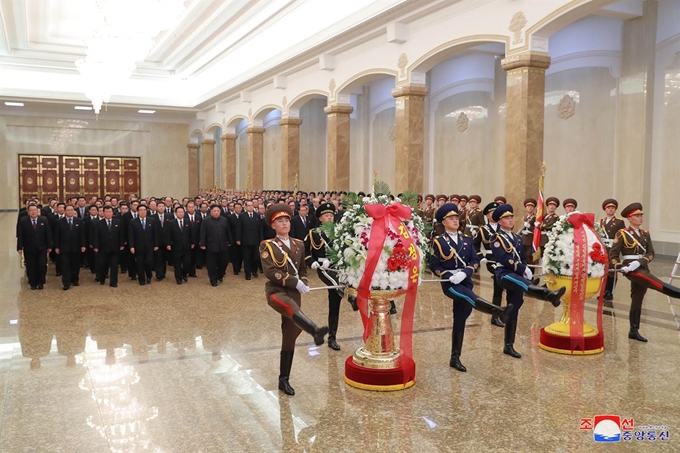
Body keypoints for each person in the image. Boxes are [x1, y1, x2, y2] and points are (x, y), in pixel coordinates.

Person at [429, 203, 512, 371]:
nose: (455, 220)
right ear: (443, 222)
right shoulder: (438, 241)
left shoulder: (466, 240)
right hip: (450, 283)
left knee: (460, 318)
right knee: (468, 297)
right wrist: (447, 275)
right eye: (450, 218)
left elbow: (474, 261)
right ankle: (496, 311)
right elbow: (433, 264)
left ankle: (455, 357)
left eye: (456, 218)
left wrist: (465, 272)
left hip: (465, 280)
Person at [260, 204, 329, 396]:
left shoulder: (299, 243)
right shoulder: (267, 245)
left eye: (286, 220)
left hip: (294, 294)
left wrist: (303, 282)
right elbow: (270, 272)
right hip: (277, 292)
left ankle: (284, 380)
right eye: (279, 221)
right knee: (290, 307)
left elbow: (302, 270)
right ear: (273, 225)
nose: (284, 223)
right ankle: (315, 330)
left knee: (289, 337)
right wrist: (293, 281)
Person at [490, 204, 565, 358]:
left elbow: (523, 257)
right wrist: (521, 269)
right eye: (506, 218)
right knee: (524, 284)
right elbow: (503, 258)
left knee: (514, 307)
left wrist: (525, 267)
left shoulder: (517, 238)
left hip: (517, 273)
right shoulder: (496, 238)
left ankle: (508, 346)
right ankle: (549, 295)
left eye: (511, 217)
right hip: (504, 273)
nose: (510, 220)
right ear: (499, 221)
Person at [609, 203, 680, 342]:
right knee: (654, 282)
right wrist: (619, 266)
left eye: (641, 215)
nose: (640, 217)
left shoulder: (645, 233)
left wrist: (641, 262)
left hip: (642, 267)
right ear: (630, 218)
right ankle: (677, 292)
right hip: (630, 269)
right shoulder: (622, 233)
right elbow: (613, 254)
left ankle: (633, 331)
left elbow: (651, 252)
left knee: (637, 300)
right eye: (637, 215)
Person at [305, 202, 350, 351]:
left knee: (334, 301)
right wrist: (311, 262)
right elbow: (306, 253)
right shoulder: (313, 233)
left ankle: (332, 337)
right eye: (326, 215)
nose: (329, 217)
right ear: (320, 218)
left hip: (338, 266)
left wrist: (334, 259)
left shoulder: (340, 231)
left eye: (331, 215)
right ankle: (351, 297)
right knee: (337, 285)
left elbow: (346, 250)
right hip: (323, 268)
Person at [477, 202, 506, 327]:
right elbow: (474, 244)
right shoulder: (483, 230)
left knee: (508, 287)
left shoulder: (503, 228)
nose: (494, 215)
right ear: (487, 216)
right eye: (492, 213)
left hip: (505, 259)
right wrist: (480, 256)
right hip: (492, 260)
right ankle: (495, 316)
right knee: (498, 287)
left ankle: (504, 312)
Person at [16, 204, 52, 290]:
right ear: (28, 212)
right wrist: (19, 247)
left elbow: (48, 234)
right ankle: (32, 282)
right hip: (29, 247)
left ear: (38, 211)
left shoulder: (43, 220)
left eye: (35, 210)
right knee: (31, 266)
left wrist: (50, 246)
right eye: (31, 210)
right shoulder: (23, 221)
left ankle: (41, 282)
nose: (33, 212)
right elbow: (20, 235)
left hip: (42, 247)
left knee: (42, 264)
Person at [54, 205, 86, 290]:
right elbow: (56, 236)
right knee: (65, 265)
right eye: (68, 210)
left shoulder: (79, 221)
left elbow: (82, 235)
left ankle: (75, 280)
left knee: (75, 265)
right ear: (65, 211)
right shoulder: (59, 222)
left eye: (71, 210)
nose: (70, 212)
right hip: (64, 248)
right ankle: (66, 283)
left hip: (76, 247)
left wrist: (83, 245)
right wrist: (57, 247)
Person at [200, 205, 233, 287]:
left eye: (218, 211)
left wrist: (230, 241)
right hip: (211, 246)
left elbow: (228, 231)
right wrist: (203, 244)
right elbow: (203, 233)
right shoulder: (206, 221)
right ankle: (213, 279)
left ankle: (220, 275)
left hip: (223, 245)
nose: (216, 212)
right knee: (211, 264)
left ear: (220, 211)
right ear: (211, 212)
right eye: (214, 211)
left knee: (224, 262)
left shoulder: (224, 220)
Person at [599, 199, 626, 301]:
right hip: (603, 248)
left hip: (613, 248)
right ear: (605, 209)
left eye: (613, 208)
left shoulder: (619, 222)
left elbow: (622, 235)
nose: (611, 209)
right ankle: (604, 291)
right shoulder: (601, 221)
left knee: (612, 270)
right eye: (608, 208)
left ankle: (610, 292)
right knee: (604, 270)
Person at [92, 206, 124, 287]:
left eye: (110, 212)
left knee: (114, 266)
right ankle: (102, 278)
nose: (108, 213)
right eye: (106, 212)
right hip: (103, 248)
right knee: (102, 265)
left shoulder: (118, 222)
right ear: (103, 213)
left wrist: (122, 244)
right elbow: (95, 236)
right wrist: (95, 246)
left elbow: (121, 234)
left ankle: (113, 282)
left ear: (112, 213)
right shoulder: (99, 223)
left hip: (115, 247)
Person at [128, 205, 159, 285]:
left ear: (146, 211)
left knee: (148, 262)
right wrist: (131, 246)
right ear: (138, 212)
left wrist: (156, 245)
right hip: (138, 247)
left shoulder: (152, 220)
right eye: (140, 210)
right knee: (139, 263)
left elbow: (155, 233)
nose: (142, 211)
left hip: (150, 246)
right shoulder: (133, 221)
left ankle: (149, 275)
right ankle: (141, 279)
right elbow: (131, 235)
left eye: (144, 210)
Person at [166, 206, 194, 285]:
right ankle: (178, 278)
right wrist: (168, 244)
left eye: (182, 212)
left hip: (186, 246)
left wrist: (192, 243)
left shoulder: (188, 221)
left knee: (187, 263)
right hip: (176, 246)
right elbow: (168, 234)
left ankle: (184, 274)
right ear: (176, 213)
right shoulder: (171, 223)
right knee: (177, 264)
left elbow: (191, 233)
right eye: (179, 212)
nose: (181, 213)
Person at [239, 200, 262, 280]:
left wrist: (261, 239)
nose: (250, 207)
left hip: (256, 241)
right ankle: (247, 273)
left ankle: (254, 270)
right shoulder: (242, 216)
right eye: (248, 205)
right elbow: (240, 228)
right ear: (245, 207)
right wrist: (239, 239)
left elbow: (260, 229)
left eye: (252, 205)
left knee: (256, 257)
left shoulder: (257, 216)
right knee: (247, 258)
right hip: (246, 241)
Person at [519, 198, 537, 265]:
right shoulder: (524, 217)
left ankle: (531, 273)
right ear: (526, 208)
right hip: (523, 239)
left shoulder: (536, 217)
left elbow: (537, 229)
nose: (530, 208)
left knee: (529, 256)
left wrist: (529, 227)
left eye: (531, 206)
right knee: (523, 256)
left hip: (531, 239)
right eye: (528, 206)